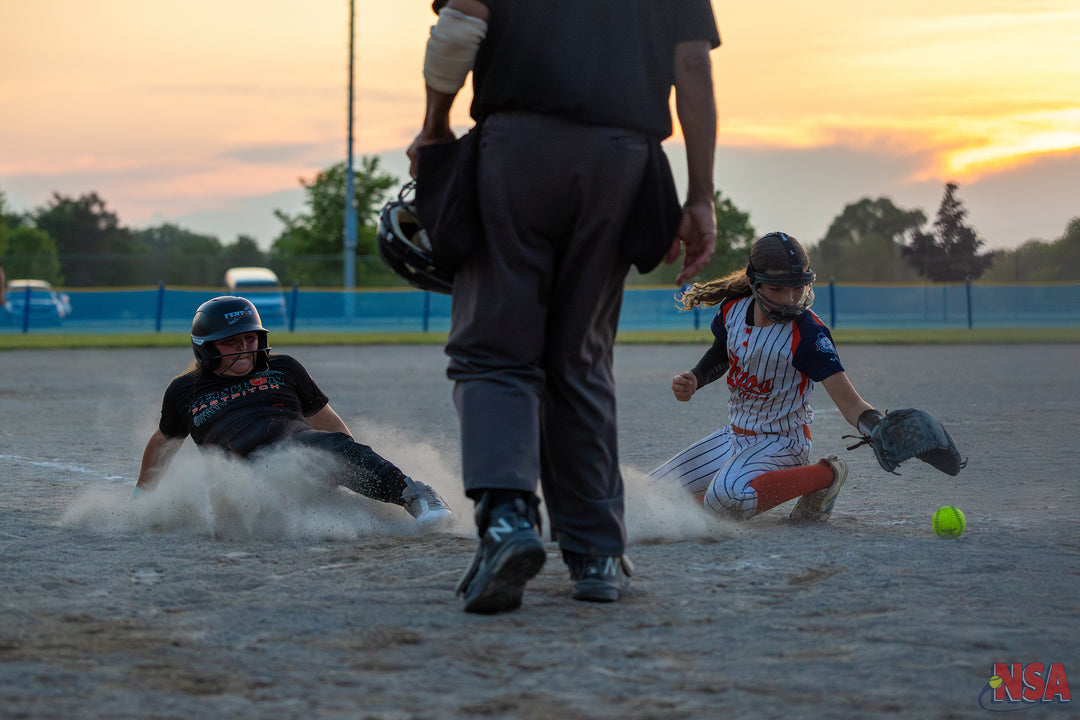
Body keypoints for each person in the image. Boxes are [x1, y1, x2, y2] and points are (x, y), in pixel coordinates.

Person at [407, 0, 721, 613]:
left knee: (496, 349)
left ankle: (507, 523)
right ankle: (597, 552)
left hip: (519, 146)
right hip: (624, 157)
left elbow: (461, 24)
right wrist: (701, 193)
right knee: (580, 359)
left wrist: (435, 124)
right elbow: (692, 66)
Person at [135, 296, 453, 532]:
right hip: (237, 474)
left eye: (250, 338)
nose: (245, 347)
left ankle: (417, 495)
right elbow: (163, 443)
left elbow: (326, 420)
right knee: (228, 506)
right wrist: (141, 497)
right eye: (231, 342)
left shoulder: (284, 367)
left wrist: (347, 459)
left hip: (300, 448)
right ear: (206, 348)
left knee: (326, 449)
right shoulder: (184, 389)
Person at [650, 231, 885, 522]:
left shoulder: (808, 334)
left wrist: (878, 426)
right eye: (777, 288)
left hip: (784, 443)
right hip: (734, 437)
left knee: (726, 499)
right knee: (651, 491)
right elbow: (722, 352)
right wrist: (696, 377)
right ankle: (677, 511)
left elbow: (850, 403)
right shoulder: (733, 310)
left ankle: (826, 475)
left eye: (797, 287)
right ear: (753, 282)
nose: (790, 298)